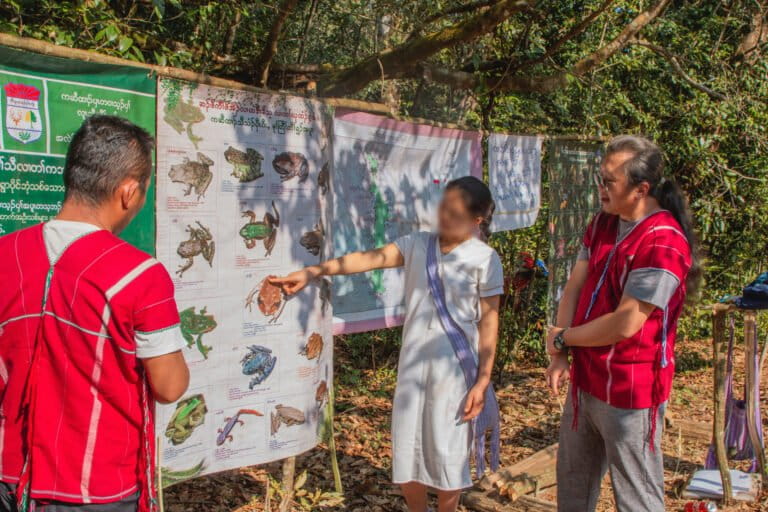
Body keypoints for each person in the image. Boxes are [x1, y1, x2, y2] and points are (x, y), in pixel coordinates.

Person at [272, 176, 503, 512]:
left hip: (456, 370)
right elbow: (369, 259)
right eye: (442, 206)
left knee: (448, 452)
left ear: (476, 220)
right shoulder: (417, 244)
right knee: (407, 451)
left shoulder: (484, 258)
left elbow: (489, 322)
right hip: (412, 368)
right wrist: (314, 271)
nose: (443, 216)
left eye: (453, 212)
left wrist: (483, 381)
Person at [0, 115, 190, 512]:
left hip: (9, 475)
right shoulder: (141, 275)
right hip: (97, 487)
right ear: (128, 191)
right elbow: (169, 386)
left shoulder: (6, 254)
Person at [545, 135, 700, 512]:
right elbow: (575, 286)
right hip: (587, 382)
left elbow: (626, 323)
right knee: (574, 488)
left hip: (632, 392)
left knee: (636, 498)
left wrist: (564, 339)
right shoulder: (602, 222)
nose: (600, 188)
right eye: (600, 178)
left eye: (609, 181)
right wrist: (561, 355)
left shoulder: (663, 241)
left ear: (640, 189)